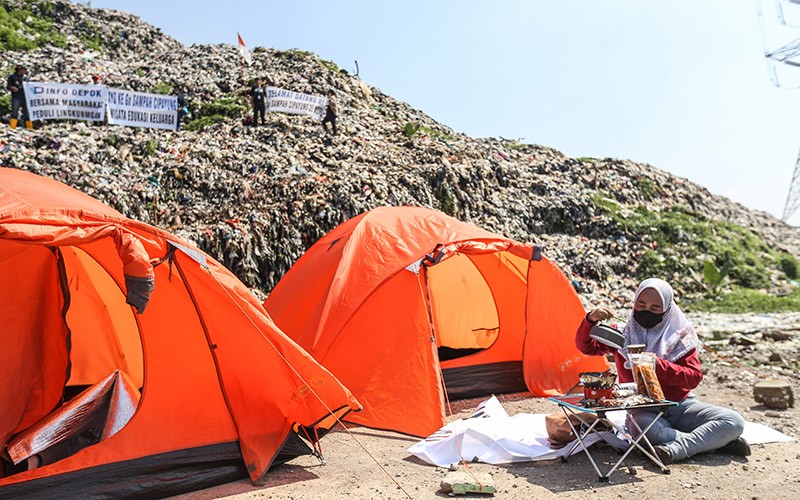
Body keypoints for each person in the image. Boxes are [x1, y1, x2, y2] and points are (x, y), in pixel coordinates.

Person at [576, 277, 750, 464]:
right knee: (645, 431)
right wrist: (590, 320)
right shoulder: (623, 334)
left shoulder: (679, 337)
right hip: (643, 409)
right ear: (634, 303)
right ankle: (716, 443)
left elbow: (693, 377)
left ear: (666, 310)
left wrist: (657, 365)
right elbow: (587, 347)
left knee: (733, 421)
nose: (646, 311)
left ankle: (677, 449)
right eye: (641, 305)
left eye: (655, 308)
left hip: (680, 405)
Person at [6, 65, 32, 130]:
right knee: (14, 113)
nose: (24, 71)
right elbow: (8, 86)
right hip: (16, 97)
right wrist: (12, 87)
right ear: (19, 70)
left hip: (25, 98)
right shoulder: (12, 77)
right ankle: (12, 128)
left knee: (27, 114)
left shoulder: (26, 78)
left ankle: (30, 128)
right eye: (23, 70)